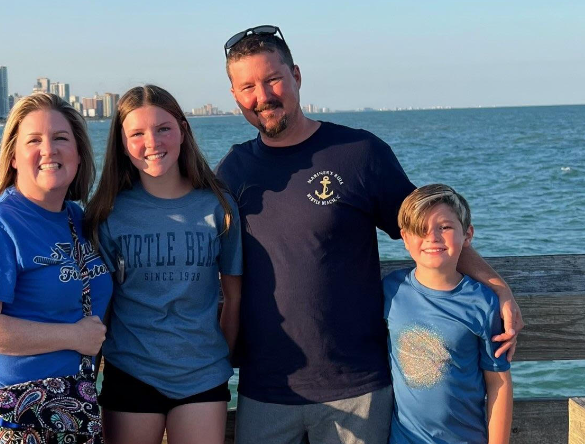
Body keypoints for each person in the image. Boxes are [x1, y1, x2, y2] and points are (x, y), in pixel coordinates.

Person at [215, 26, 523, 444]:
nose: (262, 95)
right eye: (247, 86)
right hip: (266, 388)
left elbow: (428, 230)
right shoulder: (234, 170)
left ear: (297, 76)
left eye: (272, 79)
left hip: (357, 385)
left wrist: (496, 286)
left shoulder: (359, 153)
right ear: (235, 95)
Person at [0, 92, 113, 444]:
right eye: (33, 140)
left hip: (70, 413)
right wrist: (73, 336)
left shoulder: (80, 221)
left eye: (61, 138)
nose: (49, 150)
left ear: (79, 154)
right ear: (14, 157)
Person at [84, 84, 242, 444]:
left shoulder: (218, 206)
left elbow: (234, 298)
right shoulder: (107, 214)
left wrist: (221, 361)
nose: (151, 142)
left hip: (202, 375)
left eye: (163, 128)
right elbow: (101, 307)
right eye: (136, 133)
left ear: (183, 131)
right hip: (130, 372)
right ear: (122, 143)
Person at [384, 184, 513, 444]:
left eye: (444, 227)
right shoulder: (390, 291)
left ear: (467, 235)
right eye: (420, 230)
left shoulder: (484, 302)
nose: (432, 237)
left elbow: (498, 383)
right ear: (405, 238)